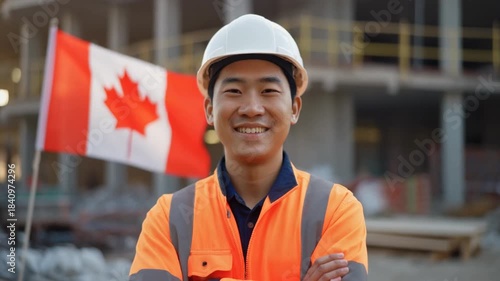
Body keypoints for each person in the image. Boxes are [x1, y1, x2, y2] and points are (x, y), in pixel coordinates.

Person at [129, 14, 367, 281]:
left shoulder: (335, 210)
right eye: (234, 91)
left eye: (268, 91)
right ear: (209, 110)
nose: (252, 108)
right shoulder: (169, 218)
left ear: (294, 109)